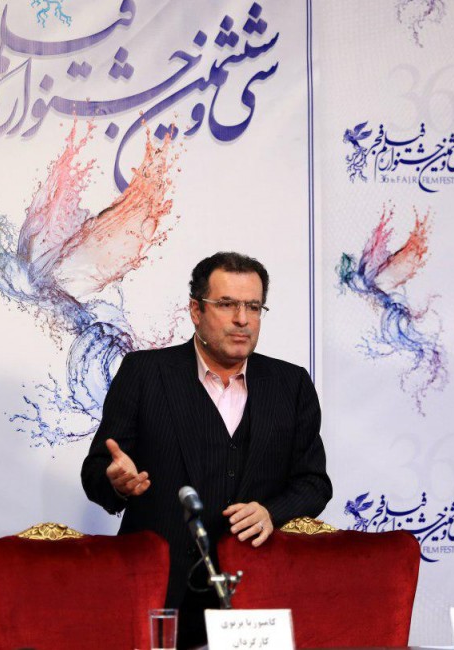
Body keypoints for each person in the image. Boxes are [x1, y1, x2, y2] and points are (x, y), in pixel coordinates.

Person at [81, 251, 332, 648]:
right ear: (196, 310)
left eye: (253, 306)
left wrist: (271, 511)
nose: (242, 319)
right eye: (227, 304)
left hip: (253, 597)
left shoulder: (291, 384)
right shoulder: (144, 373)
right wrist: (116, 482)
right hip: (160, 593)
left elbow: (314, 484)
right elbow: (97, 471)